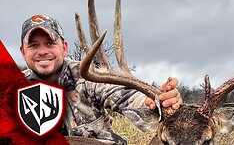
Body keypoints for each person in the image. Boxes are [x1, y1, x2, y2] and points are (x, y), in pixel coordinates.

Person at [19, 14, 182, 144]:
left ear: (65, 48)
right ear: (22, 51)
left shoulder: (86, 76)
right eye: (33, 45)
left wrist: (154, 100)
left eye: (50, 43)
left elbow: (125, 96)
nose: (42, 51)